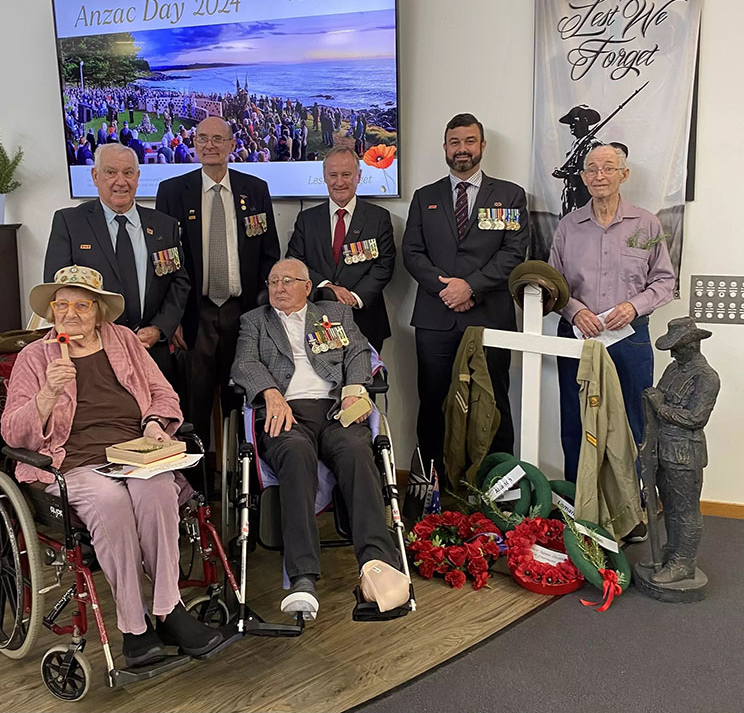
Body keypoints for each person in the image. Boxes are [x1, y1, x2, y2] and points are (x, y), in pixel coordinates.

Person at [1, 266, 222, 666]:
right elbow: (13, 432)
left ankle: (168, 610)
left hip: (132, 453)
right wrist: (48, 393)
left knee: (157, 491)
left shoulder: (123, 341)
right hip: (74, 464)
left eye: (82, 305)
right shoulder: (34, 356)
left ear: (99, 311)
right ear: (51, 311)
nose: (70, 312)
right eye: (62, 304)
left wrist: (155, 423)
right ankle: (134, 628)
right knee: (112, 505)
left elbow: (162, 392)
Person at [231, 259, 406, 619]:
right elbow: (244, 364)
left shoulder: (335, 313)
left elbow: (359, 351)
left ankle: (377, 564)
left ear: (307, 287)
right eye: (273, 280)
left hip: (332, 410)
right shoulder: (255, 321)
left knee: (358, 450)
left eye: (287, 281)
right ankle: (303, 578)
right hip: (285, 413)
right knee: (295, 454)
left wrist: (355, 390)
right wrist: (269, 392)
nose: (278, 287)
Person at [403, 113, 528, 483]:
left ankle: (499, 486)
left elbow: (513, 253)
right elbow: (412, 252)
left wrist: (470, 286)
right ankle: (432, 485)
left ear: (482, 146)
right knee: (433, 403)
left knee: (495, 403)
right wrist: (447, 289)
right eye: (455, 142)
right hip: (435, 318)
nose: (462, 149)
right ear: (445, 148)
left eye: (469, 141)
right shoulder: (424, 197)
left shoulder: (510, 195)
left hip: (490, 317)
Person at [549, 144, 675, 490]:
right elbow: (552, 283)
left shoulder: (646, 224)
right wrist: (575, 311)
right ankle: (579, 501)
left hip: (629, 337)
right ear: (583, 177)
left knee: (633, 420)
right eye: (591, 169)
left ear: (624, 174)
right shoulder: (568, 227)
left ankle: (631, 503)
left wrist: (634, 306)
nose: (599, 176)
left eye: (607, 168)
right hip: (578, 337)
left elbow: (665, 280)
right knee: (576, 420)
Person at [155, 115, 280, 452]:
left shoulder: (255, 190)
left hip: (245, 313)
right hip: (196, 314)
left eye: (218, 139)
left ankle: (246, 486)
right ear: (193, 144)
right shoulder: (172, 192)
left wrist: (263, 311)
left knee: (242, 401)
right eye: (202, 139)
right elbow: (166, 262)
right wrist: (174, 317)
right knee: (193, 404)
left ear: (231, 145)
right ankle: (196, 492)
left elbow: (270, 254)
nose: (210, 145)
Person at [44, 143, 190, 380]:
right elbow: (56, 287)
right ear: (95, 176)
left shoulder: (164, 225)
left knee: (158, 415)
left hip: (151, 351)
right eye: (111, 172)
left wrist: (160, 329)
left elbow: (178, 282)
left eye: (128, 173)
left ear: (138, 177)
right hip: (92, 353)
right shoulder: (70, 222)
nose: (120, 181)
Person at [287, 146, 394, 352]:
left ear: (359, 176)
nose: (339, 182)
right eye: (333, 175)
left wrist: (354, 298)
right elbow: (294, 262)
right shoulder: (307, 220)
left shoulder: (378, 218)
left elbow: (384, 266)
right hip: (317, 317)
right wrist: (328, 288)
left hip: (365, 320)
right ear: (324, 177)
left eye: (346, 174)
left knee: (364, 382)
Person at [643, 318, 720, 583]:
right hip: (663, 447)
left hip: (685, 453)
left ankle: (684, 563)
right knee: (671, 508)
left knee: (686, 510)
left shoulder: (707, 377)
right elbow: (659, 396)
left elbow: (696, 418)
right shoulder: (673, 369)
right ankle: (673, 551)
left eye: (677, 347)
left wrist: (660, 407)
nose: (673, 353)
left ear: (693, 344)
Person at [552, 104, 603, 217]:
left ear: (585, 123)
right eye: (571, 123)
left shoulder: (594, 145)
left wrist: (567, 174)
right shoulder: (576, 144)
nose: (572, 126)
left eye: (575, 122)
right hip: (572, 195)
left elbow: (594, 174)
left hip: (585, 196)